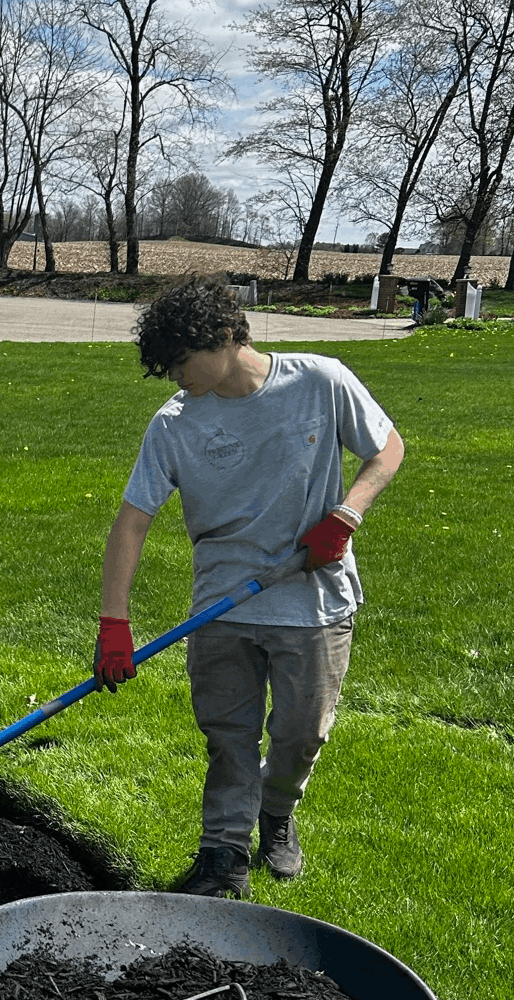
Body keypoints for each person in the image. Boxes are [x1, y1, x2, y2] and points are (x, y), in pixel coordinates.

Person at [94, 278, 405, 897]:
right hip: (222, 608)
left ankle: (277, 811)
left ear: (224, 337)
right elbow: (132, 521)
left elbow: (387, 449)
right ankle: (223, 852)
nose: (175, 375)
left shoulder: (320, 382)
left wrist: (347, 515)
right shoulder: (175, 424)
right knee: (228, 737)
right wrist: (114, 622)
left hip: (312, 600)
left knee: (301, 733)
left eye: (181, 360)